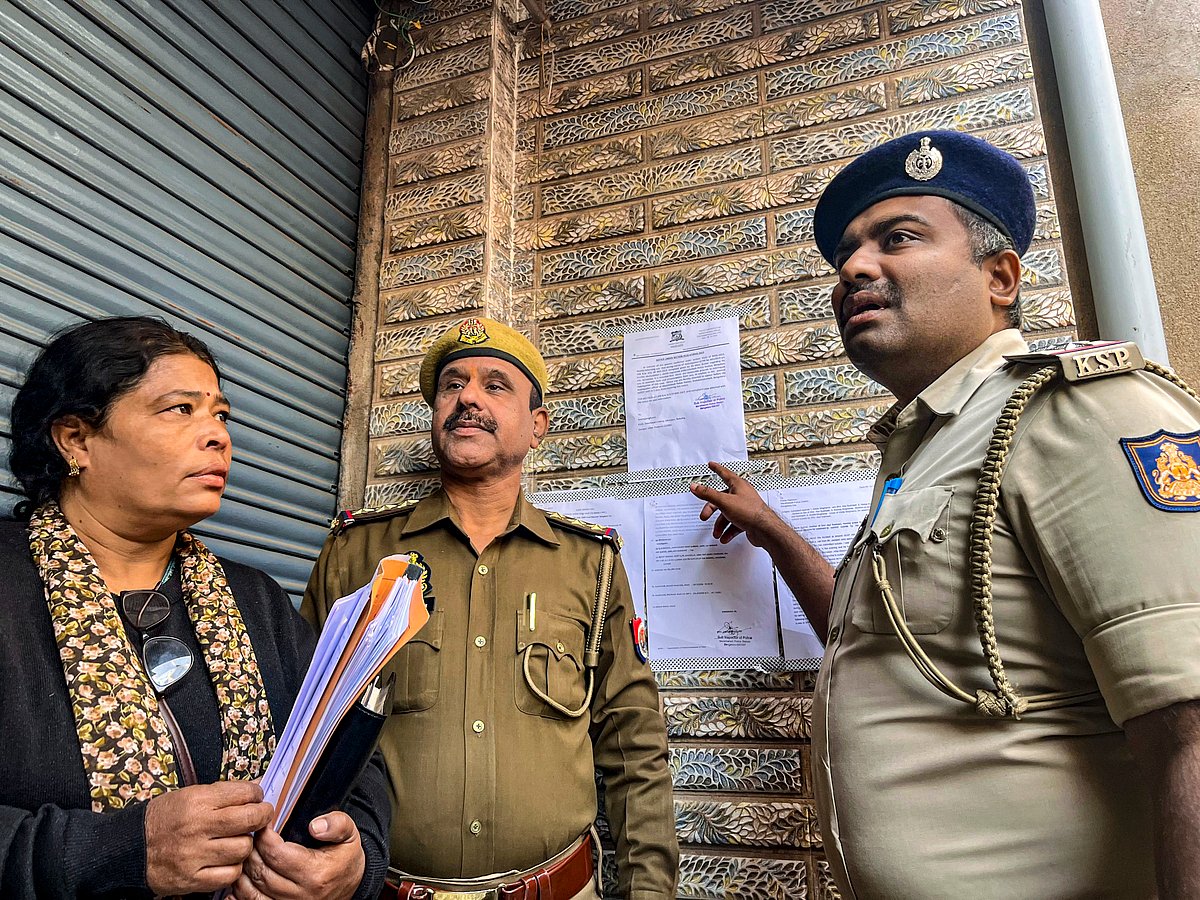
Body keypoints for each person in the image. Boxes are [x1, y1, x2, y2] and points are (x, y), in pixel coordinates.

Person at [690, 130, 1200, 898]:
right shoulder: (927, 445)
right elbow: (879, 641)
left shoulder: (1075, 411)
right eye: (846, 256)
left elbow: (1190, 730)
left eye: (898, 238)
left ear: (1000, 277)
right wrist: (773, 533)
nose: (855, 269)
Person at [0, 316, 390, 899]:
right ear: (76, 440)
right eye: (180, 409)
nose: (218, 436)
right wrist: (115, 852)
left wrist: (353, 862)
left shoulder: (257, 601)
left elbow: (353, 760)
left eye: (220, 415)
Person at [302, 316, 678, 900]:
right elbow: (299, 732)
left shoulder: (590, 563)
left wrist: (648, 890)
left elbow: (634, 743)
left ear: (536, 427)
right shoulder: (356, 555)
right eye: (452, 385)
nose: (468, 398)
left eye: (495, 385)